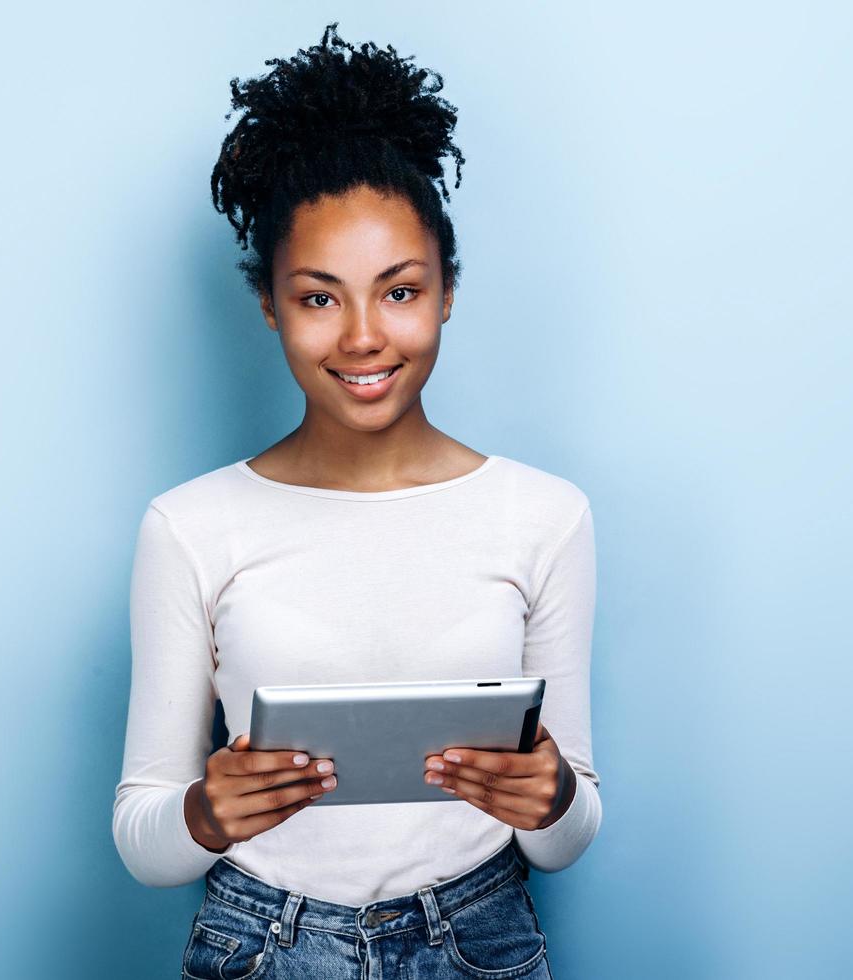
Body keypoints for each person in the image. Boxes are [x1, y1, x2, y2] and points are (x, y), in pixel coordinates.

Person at [111, 23, 600, 979]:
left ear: (447, 290)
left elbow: (565, 834)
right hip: (263, 942)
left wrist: (551, 800)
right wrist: (206, 814)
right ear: (269, 306)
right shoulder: (190, 526)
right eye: (320, 297)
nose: (365, 337)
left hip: (481, 936)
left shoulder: (545, 517)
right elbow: (143, 833)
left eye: (400, 290)